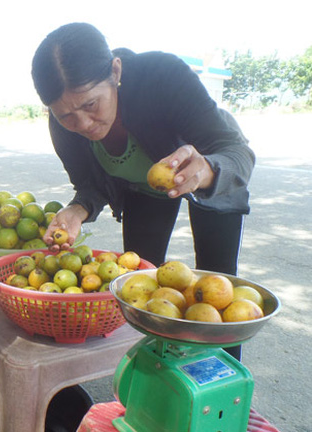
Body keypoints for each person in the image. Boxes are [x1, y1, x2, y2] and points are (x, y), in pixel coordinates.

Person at [31, 23, 255, 360]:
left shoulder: (162, 76)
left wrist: (208, 169)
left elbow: (235, 152)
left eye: (92, 105)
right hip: (143, 189)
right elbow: (89, 185)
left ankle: (226, 390)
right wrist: (77, 210)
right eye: (67, 116)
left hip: (210, 172)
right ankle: (156, 370)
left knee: (218, 291)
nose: (84, 125)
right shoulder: (62, 122)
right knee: (141, 282)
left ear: (115, 71)